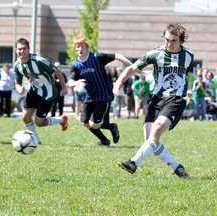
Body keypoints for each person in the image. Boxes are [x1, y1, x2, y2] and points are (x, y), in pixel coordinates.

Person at [113, 23, 194, 177]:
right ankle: (177, 167)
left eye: (174, 41)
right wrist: (118, 82)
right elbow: (132, 68)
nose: (169, 44)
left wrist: (187, 92)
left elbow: (186, 76)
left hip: (175, 99)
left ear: (181, 41)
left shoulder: (189, 56)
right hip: (156, 99)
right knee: (150, 140)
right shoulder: (155, 54)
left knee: (156, 130)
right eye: (167, 40)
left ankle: (133, 162)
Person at [70, 33, 132, 146]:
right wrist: (75, 83)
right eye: (77, 47)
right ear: (75, 49)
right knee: (84, 121)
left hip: (104, 96)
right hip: (90, 97)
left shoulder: (97, 57)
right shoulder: (75, 64)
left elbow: (117, 56)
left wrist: (133, 66)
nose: (80, 49)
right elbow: (70, 81)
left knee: (94, 124)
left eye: (82, 46)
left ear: (86, 47)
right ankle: (104, 140)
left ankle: (112, 127)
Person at [13, 38, 68, 143]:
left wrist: (64, 87)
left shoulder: (39, 60)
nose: (22, 51)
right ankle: (35, 139)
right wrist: (19, 88)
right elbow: (17, 82)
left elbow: (57, 71)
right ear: (16, 50)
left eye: (24, 48)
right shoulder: (17, 66)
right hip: (34, 90)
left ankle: (62, 119)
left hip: (48, 92)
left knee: (39, 122)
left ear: (28, 49)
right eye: (19, 49)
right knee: (25, 117)